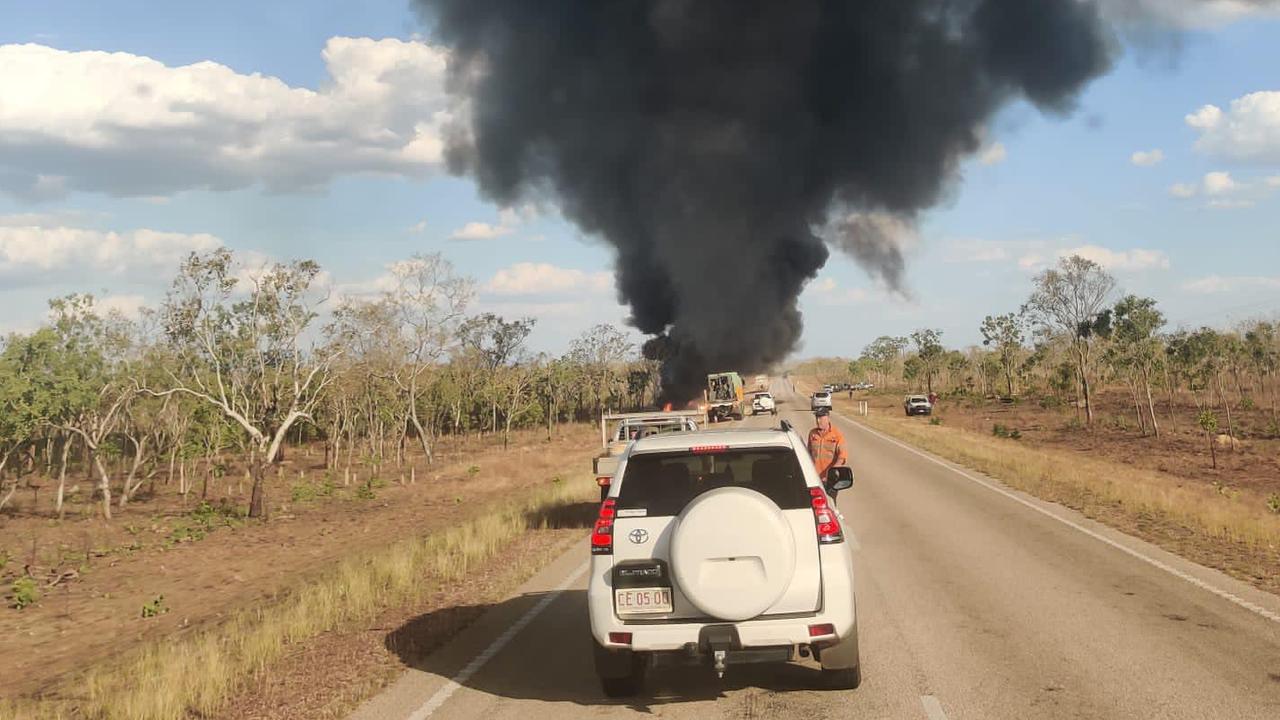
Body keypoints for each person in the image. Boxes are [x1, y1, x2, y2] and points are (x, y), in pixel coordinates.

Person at [807, 407, 848, 480]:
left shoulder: (837, 434)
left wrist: (833, 470)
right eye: (817, 418)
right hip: (814, 478)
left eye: (821, 418)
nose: (818, 421)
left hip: (830, 479)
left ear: (828, 418)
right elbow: (808, 453)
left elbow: (842, 456)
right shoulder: (812, 433)